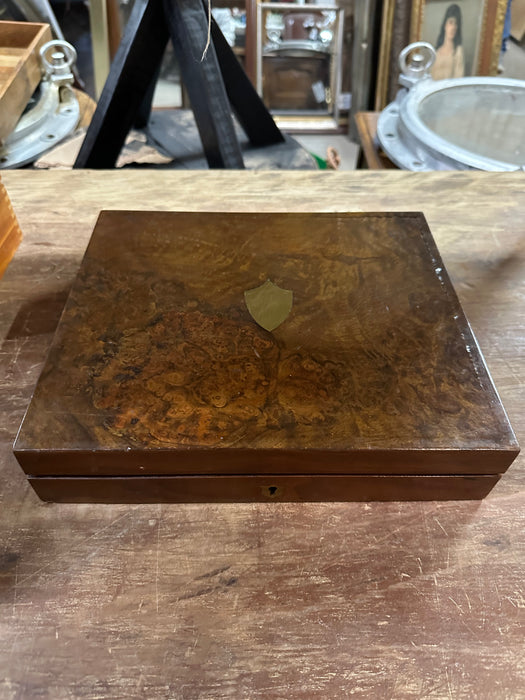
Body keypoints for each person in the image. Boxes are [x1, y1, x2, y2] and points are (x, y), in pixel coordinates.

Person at [431, 4, 465, 80]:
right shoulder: (436, 51)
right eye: (451, 22)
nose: (453, 27)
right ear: (445, 25)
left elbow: (458, 80)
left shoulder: (457, 52)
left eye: (456, 24)